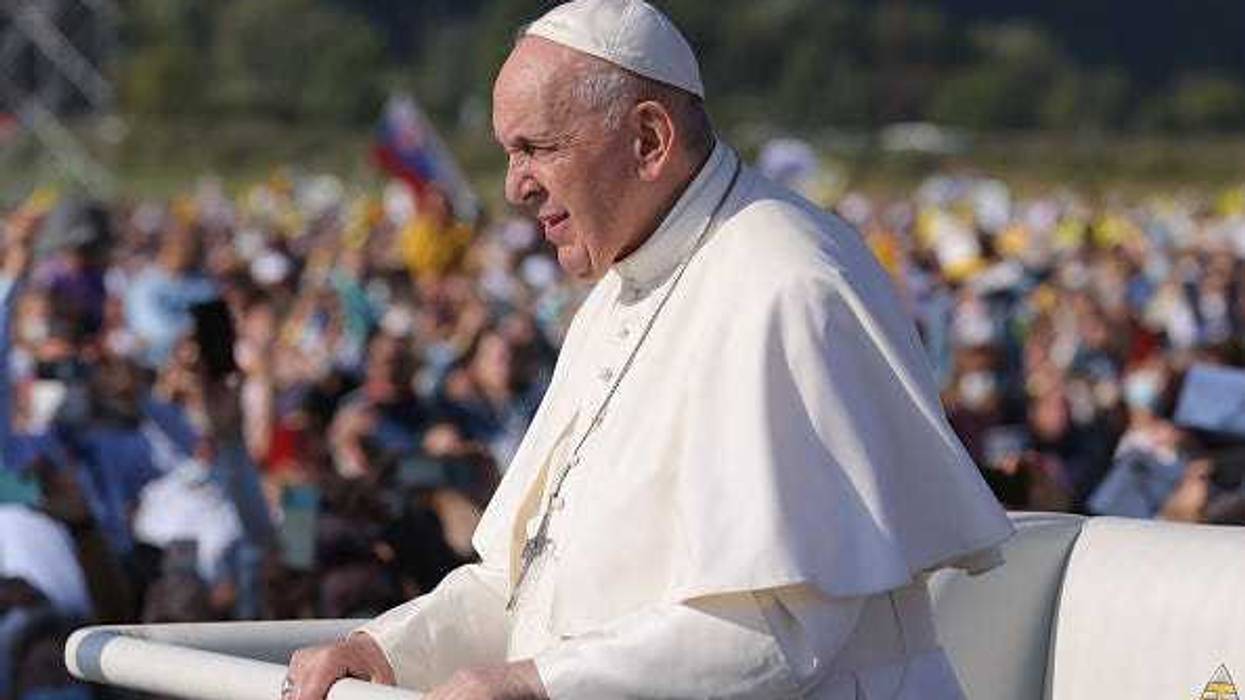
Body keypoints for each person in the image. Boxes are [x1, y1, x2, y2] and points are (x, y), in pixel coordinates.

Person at [286, 1, 1012, 698]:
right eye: (509, 153)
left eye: (536, 148)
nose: (513, 188)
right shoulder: (616, 289)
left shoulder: (785, 284)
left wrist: (542, 684)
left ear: (648, 140)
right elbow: (529, 579)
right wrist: (383, 648)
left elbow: (775, 630)